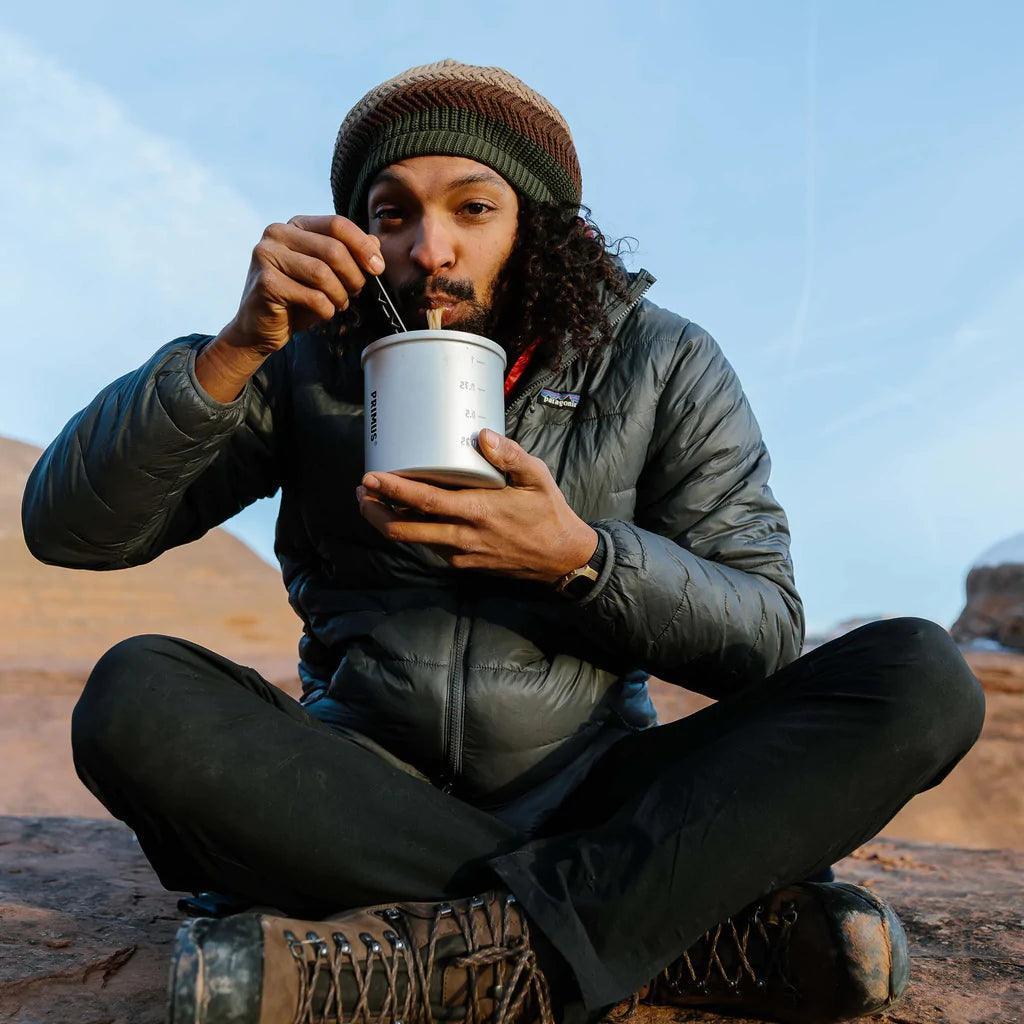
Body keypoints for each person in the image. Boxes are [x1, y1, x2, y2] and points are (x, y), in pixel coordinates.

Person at [22, 59, 985, 1024]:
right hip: (358, 796)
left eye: (472, 208)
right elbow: (71, 530)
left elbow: (765, 635)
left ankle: (434, 955)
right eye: (392, 214)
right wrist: (235, 348)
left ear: (539, 226)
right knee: (134, 695)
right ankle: (655, 931)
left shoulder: (663, 360)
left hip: (595, 790)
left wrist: (584, 562)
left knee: (920, 675)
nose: (429, 249)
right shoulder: (305, 360)